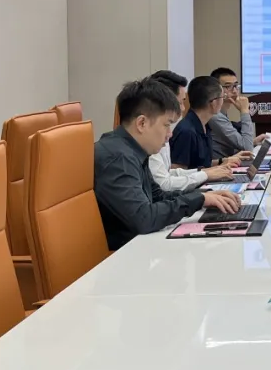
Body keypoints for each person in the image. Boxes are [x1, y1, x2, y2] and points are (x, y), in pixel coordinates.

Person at [94, 78, 240, 251]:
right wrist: (198, 200)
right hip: (123, 255)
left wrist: (203, 196)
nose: (170, 134)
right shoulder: (118, 158)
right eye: (166, 125)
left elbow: (158, 196)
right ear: (142, 123)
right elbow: (144, 218)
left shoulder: (132, 150)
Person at [147, 70, 241, 193]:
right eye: (180, 102)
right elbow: (165, 184)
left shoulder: (204, 126)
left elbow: (170, 172)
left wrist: (211, 169)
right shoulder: (185, 131)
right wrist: (206, 174)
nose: (183, 108)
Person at [170, 76, 227, 170]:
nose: (223, 101)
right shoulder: (187, 132)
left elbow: (200, 164)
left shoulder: (204, 126)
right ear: (214, 103)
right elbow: (178, 171)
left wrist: (223, 161)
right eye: (222, 97)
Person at [209, 67, 257, 159]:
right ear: (215, 89)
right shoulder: (215, 116)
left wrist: (253, 141)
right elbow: (248, 149)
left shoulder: (221, 112)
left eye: (235, 86)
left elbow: (235, 145)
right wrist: (244, 111)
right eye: (228, 87)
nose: (234, 91)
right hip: (219, 165)